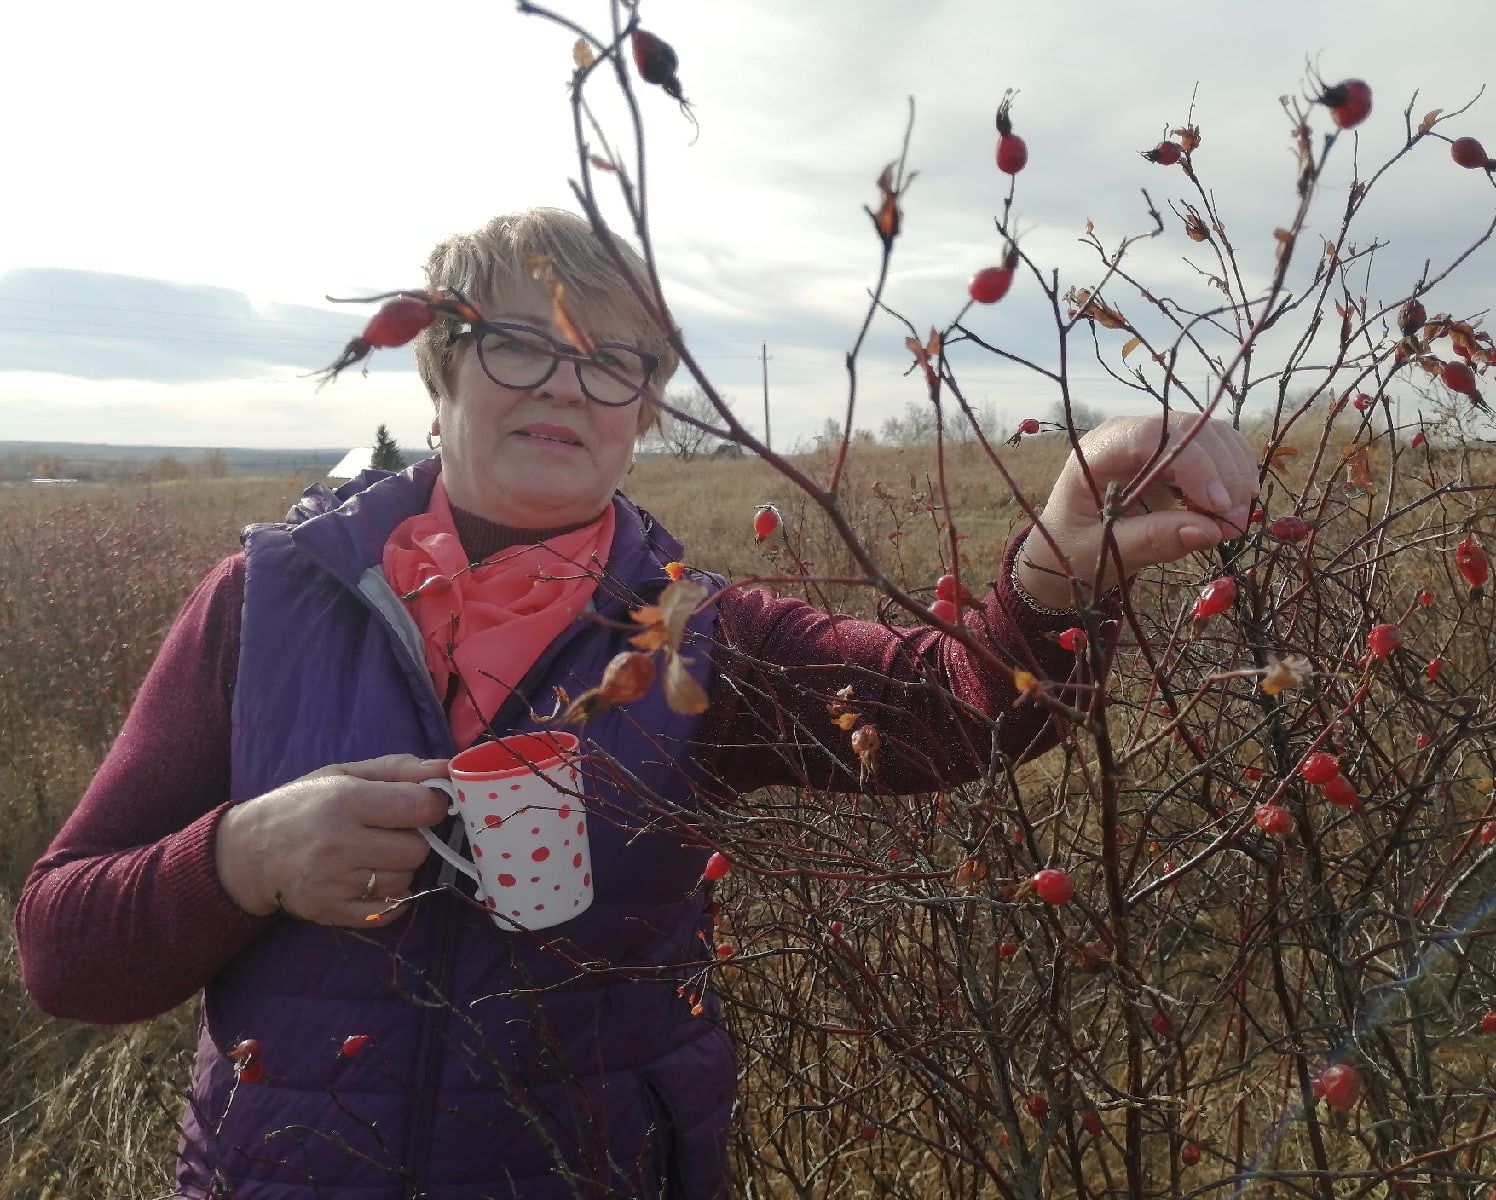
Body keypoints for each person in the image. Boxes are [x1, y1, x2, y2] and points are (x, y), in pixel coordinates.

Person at [14, 208, 1258, 1198]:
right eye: (521, 343)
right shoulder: (260, 605)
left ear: (645, 411)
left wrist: (1056, 569)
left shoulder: (704, 636)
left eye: (613, 362)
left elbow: (950, 709)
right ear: (444, 367)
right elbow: (65, 949)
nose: (567, 386)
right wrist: (240, 857)